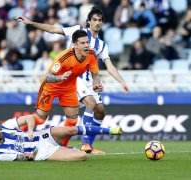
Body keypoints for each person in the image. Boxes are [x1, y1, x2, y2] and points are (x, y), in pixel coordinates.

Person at [16, 6, 130, 155]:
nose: (97, 23)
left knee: (100, 112)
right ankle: (84, 144)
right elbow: (53, 29)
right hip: (73, 79)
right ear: (88, 21)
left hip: (88, 82)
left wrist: (121, 81)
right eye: (94, 20)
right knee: (91, 104)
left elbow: (109, 65)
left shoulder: (101, 45)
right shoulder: (77, 31)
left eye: (100, 20)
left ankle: (84, 144)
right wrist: (32, 23)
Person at [19, 30, 103, 148]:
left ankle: (62, 146)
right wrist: (60, 77)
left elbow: (95, 74)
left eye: (87, 42)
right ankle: (15, 132)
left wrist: (96, 84)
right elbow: (47, 77)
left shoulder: (91, 54)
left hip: (69, 88)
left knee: (73, 121)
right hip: (50, 87)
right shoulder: (64, 57)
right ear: (75, 45)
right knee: (40, 119)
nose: (86, 46)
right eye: (83, 43)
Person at [0, 114, 122, 161]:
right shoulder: (0, 154)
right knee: (82, 156)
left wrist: (29, 130)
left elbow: (29, 117)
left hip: (42, 136)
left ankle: (110, 130)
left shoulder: (6, 127)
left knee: (71, 129)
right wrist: (28, 155)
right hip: (41, 151)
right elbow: (21, 157)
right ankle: (69, 149)